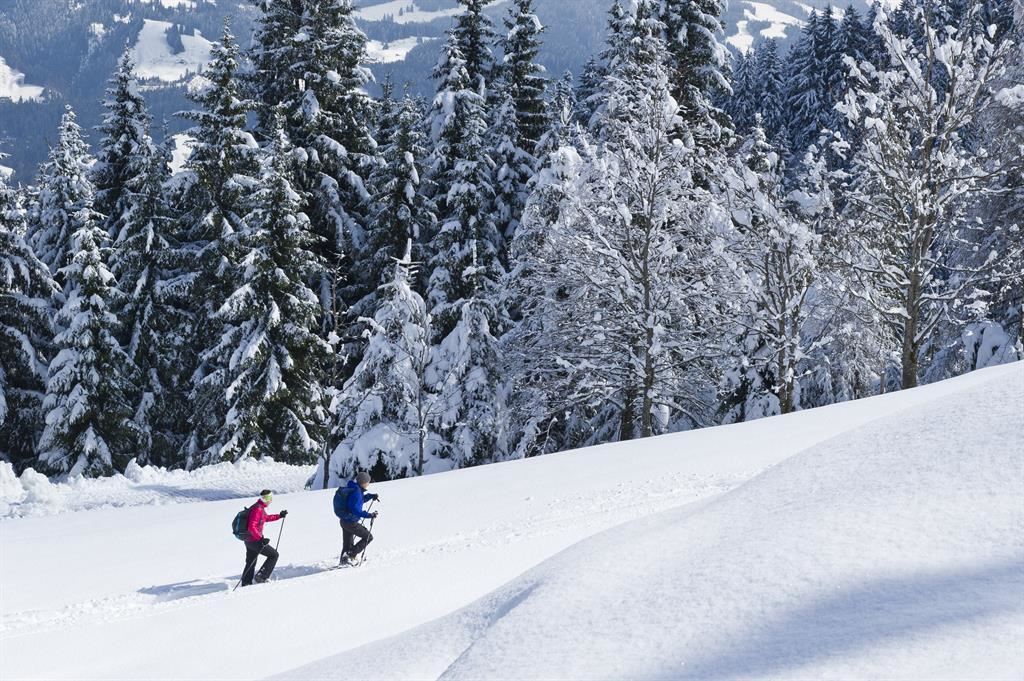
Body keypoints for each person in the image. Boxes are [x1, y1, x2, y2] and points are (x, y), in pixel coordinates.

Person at [242, 489, 288, 586]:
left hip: (249, 540)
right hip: (255, 540)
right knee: (274, 555)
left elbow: (265, 518)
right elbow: (252, 526)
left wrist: (279, 516)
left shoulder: (258, 507)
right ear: (266, 499)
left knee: (251, 562)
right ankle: (261, 576)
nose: (270, 501)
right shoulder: (258, 509)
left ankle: (246, 582)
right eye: (270, 499)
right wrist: (261, 539)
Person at [335, 472, 379, 564]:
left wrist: (370, 496)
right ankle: (351, 554)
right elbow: (356, 510)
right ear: (363, 482)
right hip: (351, 522)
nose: (368, 484)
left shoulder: (354, 488)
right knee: (368, 537)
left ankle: (344, 560)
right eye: (368, 482)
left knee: (347, 543)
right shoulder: (357, 492)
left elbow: (358, 501)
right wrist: (369, 515)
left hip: (344, 520)